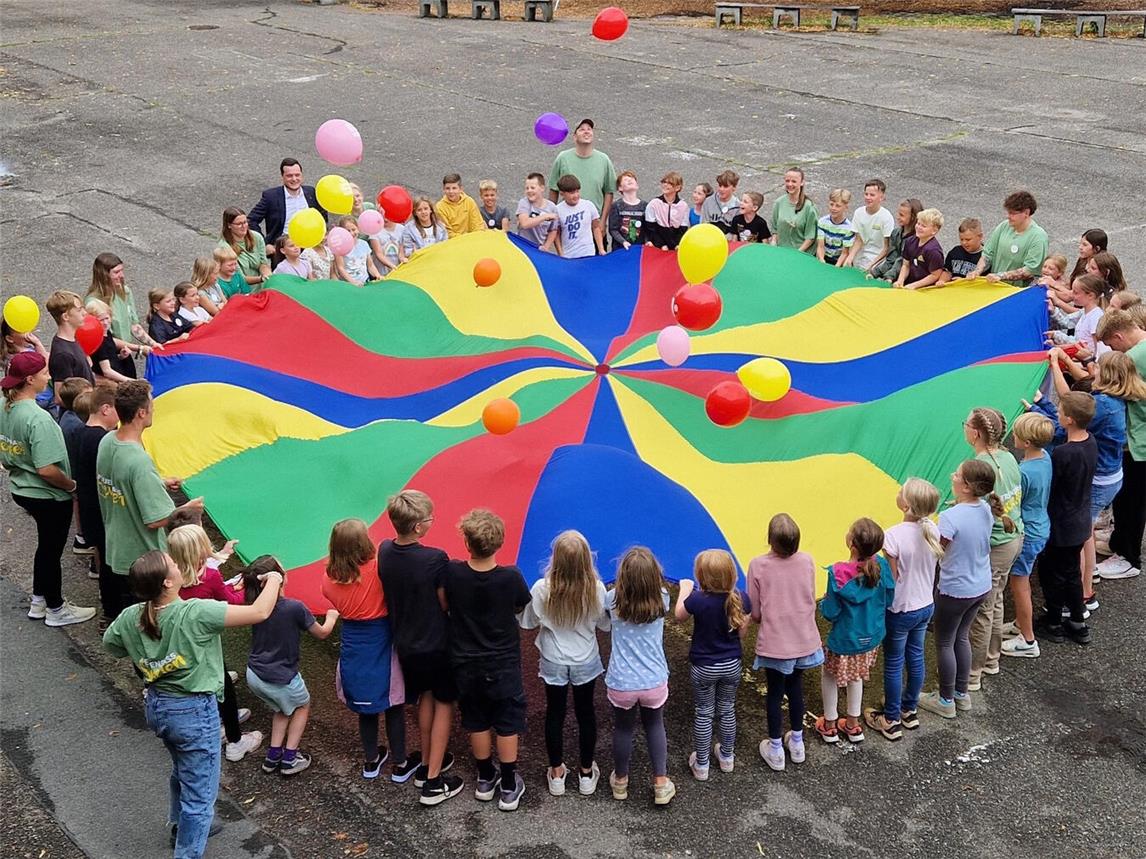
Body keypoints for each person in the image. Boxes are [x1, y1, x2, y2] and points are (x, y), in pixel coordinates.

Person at [102, 550, 285, 856]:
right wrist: (275, 579)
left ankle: (179, 824)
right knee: (201, 801)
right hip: (194, 714)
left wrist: (150, 659)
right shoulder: (197, 613)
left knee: (181, 768)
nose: (177, 562)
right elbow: (259, 612)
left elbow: (112, 644)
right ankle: (187, 845)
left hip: (159, 707)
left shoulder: (131, 616)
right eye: (172, 563)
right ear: (168, 582)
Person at [1035, 352, 1143, 612]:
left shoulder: (1103, 405)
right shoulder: (1118, 397)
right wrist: (1056, 365)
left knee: (1080, 536)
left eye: (1098, 366)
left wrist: (1039, 410)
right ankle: (1089, 578)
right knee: (1087, 534)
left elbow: (1063, 425)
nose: (1092, 367)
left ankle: (1083, 593)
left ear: (1106, 375)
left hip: (1100, 480)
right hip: (1113, 473)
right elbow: (1072, 402)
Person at [440, 509, 531, 811]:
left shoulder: (453, 572)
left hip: (465, 662)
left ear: (466, 542)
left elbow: (444, 602)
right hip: (503, 662)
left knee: (476, 718)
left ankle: (484, 778)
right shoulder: (511, 576)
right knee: (506, 722)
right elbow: (520, 605)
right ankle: (508, 784)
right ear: (500, 542)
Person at [377, 490, 464, 806]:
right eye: (430, 518)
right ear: (417, 526)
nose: (432, 521)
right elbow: (444, 601)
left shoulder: (385, 550)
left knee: (424, 698)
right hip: (436, 645)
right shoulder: (435, 558)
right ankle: (433, 781)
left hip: (407, 643)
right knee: (444, 705)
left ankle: (428, 762)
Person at [0, 352, 96, 626]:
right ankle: (56, 608)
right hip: (46, 494)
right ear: (30, 380)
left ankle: (39, 600)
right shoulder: (39, 419)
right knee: (51, 551)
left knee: (45, 547)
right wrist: (72, 485)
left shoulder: (4, 406)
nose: (49, 377)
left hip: (22, 487)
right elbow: (47, 469)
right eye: (44, 373)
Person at [97, 379, 202, 620]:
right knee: (150, 621)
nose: (154, 410)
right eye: (151, 406)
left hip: (116, 548)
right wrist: (190, 508)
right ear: (141, 412)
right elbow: (155, 520)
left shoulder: (107, 441)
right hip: (144, 557)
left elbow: (120, 481)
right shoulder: (139, 461)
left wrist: (157, 483)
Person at [321, 519, 416, 784]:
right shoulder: (377, 569)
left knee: (366, 707)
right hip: (382, 640)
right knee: (392, 703)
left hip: (352, 642)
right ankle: (400, 763)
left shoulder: (328, 578)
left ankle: (371, 761)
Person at [519, 530, 608, 797]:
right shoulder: (596, 589)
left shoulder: (541, 588)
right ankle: (585, 772)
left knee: (554, 714)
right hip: (586, 659)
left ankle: (556, 773)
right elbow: (604, 624)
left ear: (555, 558)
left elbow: (527, 622)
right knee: (586, 713)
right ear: (586, 559)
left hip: (553, 659)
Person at [170, 525, 263, 763]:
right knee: (223, 686)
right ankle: (234, 740)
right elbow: (228, 601)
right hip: (205, 643)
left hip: (180, 643)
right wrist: (246, 589)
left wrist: (224, 558)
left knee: (201, 683)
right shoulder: (209, 576)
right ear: (201, 550)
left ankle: (216, 720)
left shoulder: (170, 577)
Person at [243, 555, 337, 776]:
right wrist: (331, 617)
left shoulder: (255, 606)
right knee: (302, 706)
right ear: (278, 578)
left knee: (282, 708)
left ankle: (272, 756)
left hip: (255, 674)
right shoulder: (294, 607)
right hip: (281, 677)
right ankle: (290, 759)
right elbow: (322, 633)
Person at [918, 460, 997, 719]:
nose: (952, 476)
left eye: (957, 474)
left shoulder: (951, 517)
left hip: (956, 589)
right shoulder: (985, 507)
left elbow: (937, 548)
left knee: (944, 642)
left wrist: (924, 527)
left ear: (965, 486)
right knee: (962, 637)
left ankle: (945, 699)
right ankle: (961, 694)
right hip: (980, 585)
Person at [864, 479, 942, 741]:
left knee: (894, 663)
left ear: (906, 504)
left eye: (901, 492)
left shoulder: (893, 536)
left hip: (901, 609)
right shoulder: (932, 528)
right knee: (916, 656)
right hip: (925, 605)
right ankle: (909, 708)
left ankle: (891, 718)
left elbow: (892, 578)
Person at [747, 514, 821, 772]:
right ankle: (798, 742)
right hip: (804, 638)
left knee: (775, 693)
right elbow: (810, 595)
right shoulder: (808, 560)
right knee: (796, 687)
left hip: (776, 643)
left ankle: (776, 748)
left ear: (769, 539)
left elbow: (755, 613)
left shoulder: (757, 565)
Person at [605, 546, 674, 806]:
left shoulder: (611, 600)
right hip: (653, 680)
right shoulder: (663, 599)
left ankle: (620, 781)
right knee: (655, 726)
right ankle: (660, 783)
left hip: (622, 682)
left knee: (623, 728)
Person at [814, 518, 894, 745]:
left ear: (851, 544)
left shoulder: (838, 573)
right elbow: (890, 597)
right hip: (871, 637)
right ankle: (853, 724)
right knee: (857, 676)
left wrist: (822, 606)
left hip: (844, 639)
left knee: (829, 675)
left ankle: (829, 724)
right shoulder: (882, 566)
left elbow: (830, 612)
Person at [673, 550, 749, 781]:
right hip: (732, 664)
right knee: (727, 709)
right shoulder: (741, 598)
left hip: (704, 667)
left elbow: (678, 615)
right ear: (732, 575)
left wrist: (685, 589)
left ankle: (702, 763)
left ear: (701, 576)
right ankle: (727, 757)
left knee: (704, 713)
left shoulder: (697, 599)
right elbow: (743, 632)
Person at [963, 407, 1022, 692]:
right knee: (996, 599)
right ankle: (992, 658)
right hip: (1013, 538)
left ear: (975, 433)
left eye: (966, 424)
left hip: (996, 544)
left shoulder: (979, 466)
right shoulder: (1008, 457)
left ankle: (973, 674)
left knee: (983, 609)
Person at [1035, 391, 1097, 645]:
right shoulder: (1091, 441)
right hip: (1080, 521)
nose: (1058, 414)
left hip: (1061, 524)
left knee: (1051, 573)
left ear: (1069, 420)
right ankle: (1077, 621)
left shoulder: (1062, 453)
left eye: (1060, 412)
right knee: (1071, 573)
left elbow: (1052, 486)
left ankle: (1053, 622)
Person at [1096, 310, 1146, 581]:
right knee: (1129, 499)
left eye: (1111, 345)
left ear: (1118, 336)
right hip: (1138, 439)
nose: (1112, 350)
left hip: (1138, 443)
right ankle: (1119, 543)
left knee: (1131, 502)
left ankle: (1129, 557)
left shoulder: (1132, 359)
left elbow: (1116, 388)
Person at [1000, 412, 1054, 658]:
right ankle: (1021, 624)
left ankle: (1028, 640)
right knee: (1023, 580)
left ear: (1027, 442)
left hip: (1028, 531)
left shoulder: (1024, 472)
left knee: (1019, 584)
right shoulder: (1046, 458)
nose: (1013, 437)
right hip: (1042, 525)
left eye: (1017, 434)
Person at [73, 384, 119, 621]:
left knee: (103, 560)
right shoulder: (103, 441)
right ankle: (112, 613)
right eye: (117, 410)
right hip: (103, 512)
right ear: (105, 409)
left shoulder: (79, 432)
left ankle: (107, 604)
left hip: (89, 508)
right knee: (112, 566)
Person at [548, 118, 617, 234]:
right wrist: (552, 218)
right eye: (581, 129)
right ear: (574, 137)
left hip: (593, 224)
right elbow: (553, 189)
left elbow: (609, 192)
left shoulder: (604, 160)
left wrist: (602, 221)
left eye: (589, 129)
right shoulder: (563, 158)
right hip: (569, 224)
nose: (586, 132)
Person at [970, 190, 1049, 287]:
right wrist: (977, 271)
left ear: (1026, 213)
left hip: (1017, 293)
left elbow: (1029, 270)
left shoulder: (1038, 237)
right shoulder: (1004, 226)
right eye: (1008, 212)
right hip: (996, 286)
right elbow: (987, 254)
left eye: (1013, 213)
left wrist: (1001, 276)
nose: (1008, 216)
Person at [247, 157, 325, 247]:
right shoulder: (271, 197)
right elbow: (251, 220)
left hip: (310, 245)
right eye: (289, 176)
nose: (294, 179)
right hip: (283, 247)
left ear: (302, 175)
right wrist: (264, 244)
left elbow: (322, 215)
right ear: (282, 177)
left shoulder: (311, 192)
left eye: (297, 175)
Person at [86, 253, 155, 351]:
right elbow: (105, 338)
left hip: (125, 350)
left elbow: (133, 325)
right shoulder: (93, 303)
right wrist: (139, 348)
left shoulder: (125, 291)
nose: (122, 275)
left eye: (122, 270)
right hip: (107, 354)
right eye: (116, 272)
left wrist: (153, 344)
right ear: (104, 275)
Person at [1048, 274, 1109, 362]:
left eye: (1076, 293)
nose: (1072, 295)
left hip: (1089, 363)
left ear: (1090, 295)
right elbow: (1068, 324)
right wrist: (1055, 335)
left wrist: (1093, 363)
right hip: (1082, 359)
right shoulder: (1084, 312)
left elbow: (1099, 347)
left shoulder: (1096, 317)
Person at [84, 299, 143, 383]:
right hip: (111, 382)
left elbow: (107, 360)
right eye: (101, 320)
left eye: (107, 318)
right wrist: (131, 381)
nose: (105, 323)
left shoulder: (106, 332)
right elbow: (106, 371)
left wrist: (120, 357)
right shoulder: (100, 341)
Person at [45, 290, 94, 388]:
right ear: (66, 317)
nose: (85, 313)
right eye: (79, 310)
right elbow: (60, 396)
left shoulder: (72, 339)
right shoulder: (62, 354)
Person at [219, 207, 271, 291]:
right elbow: (241, 279)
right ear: (229, 225)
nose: (244, 226)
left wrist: (266, 273)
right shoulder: (224, 247)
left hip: (261, 289)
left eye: (245, 222)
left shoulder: (257, 237)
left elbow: (263, 262)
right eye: (239, 224)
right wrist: (261, 278)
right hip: (242, 292)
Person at [870, 198, 922, 281]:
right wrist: (875, 273)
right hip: (893, 274)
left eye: (901, 215)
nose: (897, 217)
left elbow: (901, 261)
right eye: (898, 213)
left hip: (908, 278)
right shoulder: (895, 233)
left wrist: (889, 277)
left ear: (913, 217)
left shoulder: (915, 240)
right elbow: (891, 258)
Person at [850, 179, 895, 272]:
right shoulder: (858, 212)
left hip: (877, 259)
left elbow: (886, 247)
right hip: (859, 257)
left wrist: (872, 265)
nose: (868, 197)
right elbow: (858, 240)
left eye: (872, 195)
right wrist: (850, 257)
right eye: (866, 194)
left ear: (881, 197)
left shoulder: (886, 217)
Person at [555, 175, 604, 259]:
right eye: (571, 193)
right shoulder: (557, 210)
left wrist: (601, 249)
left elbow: (596, 227)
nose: (576, 195)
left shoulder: (588, 205)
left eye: (577, 191)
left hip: (588, 252)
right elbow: (556, 234)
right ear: (562, 193)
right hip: (569, 255)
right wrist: (561, 254)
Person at [894, 208, 944, 290]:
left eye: (923, 226)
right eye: (918, 223)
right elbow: (906, 265)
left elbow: (935, 275)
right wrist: (900, 280)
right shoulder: (910, 241)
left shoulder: (933, 251)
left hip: (926, 289)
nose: (919, 227)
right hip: (909, 283)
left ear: (934, 231)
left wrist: (915, 285)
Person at [770, 167, 818, 252]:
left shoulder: (809, 207)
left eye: (794, 181)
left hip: (801, 253)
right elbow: (775, 229)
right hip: (781, 250)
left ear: (802, 183)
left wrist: (797, 253)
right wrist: (773, 241)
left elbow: (810, 237)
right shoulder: (778, 203)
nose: (790, 184)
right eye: (787, 181)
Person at [642, 172, 689, 251]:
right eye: (664, 182)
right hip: (657, 244)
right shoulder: (654, 203)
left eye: (669, 183)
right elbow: (650, 228)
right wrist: (661, 244)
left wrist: (675, 245)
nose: (665, 185)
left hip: (675, 245)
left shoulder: (683, 206)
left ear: (677, 188)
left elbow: (683, 229)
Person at [515, 173, 560, 251]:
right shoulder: (524, 203)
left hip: (539, 247)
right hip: (523, 246)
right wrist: (544, 217)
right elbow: (525, 224)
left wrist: (546, 246)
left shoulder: (551, 207)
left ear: (542, 188)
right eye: (527, 188)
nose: (529, 191)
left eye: (532, 188)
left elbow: (553, 230)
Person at [333, 216, 381, 285]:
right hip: (349, 284)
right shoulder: (340, 247)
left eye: (353, 229)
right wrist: (353, 282)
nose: (351, 233)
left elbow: (370, 265)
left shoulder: (364, 244)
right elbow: (341, 268)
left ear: (358, 229)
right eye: (348, 231)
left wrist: (377, 275)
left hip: (365, 282)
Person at [435, 173, 485, 238]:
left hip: (471, 239)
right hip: (452, 242)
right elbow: (447, 233)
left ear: (460, 189)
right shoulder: (440, 207)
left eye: (454, 188)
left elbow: (477, 225)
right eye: (447, 188)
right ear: (443, 189)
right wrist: (464, 239)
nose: (451, 192)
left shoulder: (469, 201)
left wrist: (475, 237)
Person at [939, 218, 988, 283]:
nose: (964, 243)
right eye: (961, 239)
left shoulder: (986, 257)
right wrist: (942, 280)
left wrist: (962, 281)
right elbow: (947, 271)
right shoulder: (955, 252)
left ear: (980, 236)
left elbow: (983, 282)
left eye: (968, 239)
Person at [816, 189, 856, 267]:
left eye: (838, 206)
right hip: (825, 257)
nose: (833, 208)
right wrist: (821, 259)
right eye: (831, 204)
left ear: (846, 207)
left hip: (839, 260)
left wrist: (836, 266)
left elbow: (845, 253)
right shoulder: (822, 222)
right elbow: (820, 246)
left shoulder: (849, 228)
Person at [400, 197, 448, 262]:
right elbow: (408, 249)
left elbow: (445, 245)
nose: (423, 212)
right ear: (415, 213)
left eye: (426, 209)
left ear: (430, 210)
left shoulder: (441, 227)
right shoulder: (408, 229)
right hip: (419, 261)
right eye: (419, 210)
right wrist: (413, 253)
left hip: (438, 260)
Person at [608, 171, 646, 251]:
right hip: (621, 248)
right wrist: (623, 242)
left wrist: (647, 241)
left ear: (637, 185)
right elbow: (613, 229)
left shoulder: (645, 206)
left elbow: (648, 229)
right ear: (620, 188)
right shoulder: (617, 206)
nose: (629, 180)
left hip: (639, 248)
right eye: (625, 179)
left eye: (632, 179)